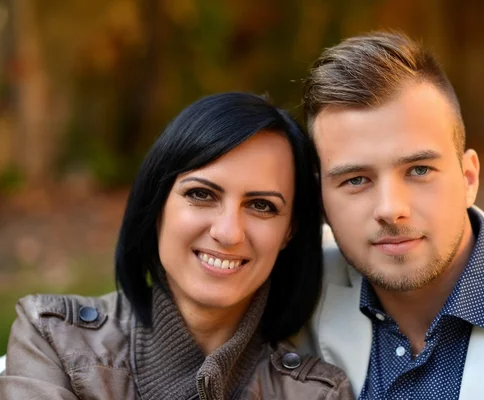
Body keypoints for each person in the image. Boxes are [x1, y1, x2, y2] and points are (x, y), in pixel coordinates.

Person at [300, 31, 484, 399]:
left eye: (419, 170)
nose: (391, 208)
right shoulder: (296, 291)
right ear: (321, 201)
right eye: (356, 179)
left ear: (468, 177)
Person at [0, 93, 352, 399]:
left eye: (261, 205)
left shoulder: (317, 393)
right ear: (157, 207)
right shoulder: (54, 340)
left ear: (289, 231)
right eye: (201, 194)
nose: (228, 232)